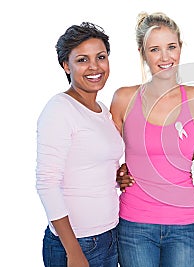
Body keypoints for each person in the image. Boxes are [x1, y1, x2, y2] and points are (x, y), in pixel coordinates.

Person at [110, 12, 194, 267]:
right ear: (143, 54)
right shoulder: (124, 99)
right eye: (155, 50)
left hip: (184, 225)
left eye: (171, 47)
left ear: (180, 48)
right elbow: (104, 153)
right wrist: (116, 173)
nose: (165, 58)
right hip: (135, 225)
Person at [36, 22, 124, 267]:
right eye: (82, 60)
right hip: (77, 242)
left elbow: (88, 166)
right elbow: (46, 182)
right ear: (66, 65)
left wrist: (118, 176)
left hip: (109, 234)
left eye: (101, 57)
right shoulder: (60, 109)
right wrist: (73, 250)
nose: (95, 67)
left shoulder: (101, 110)